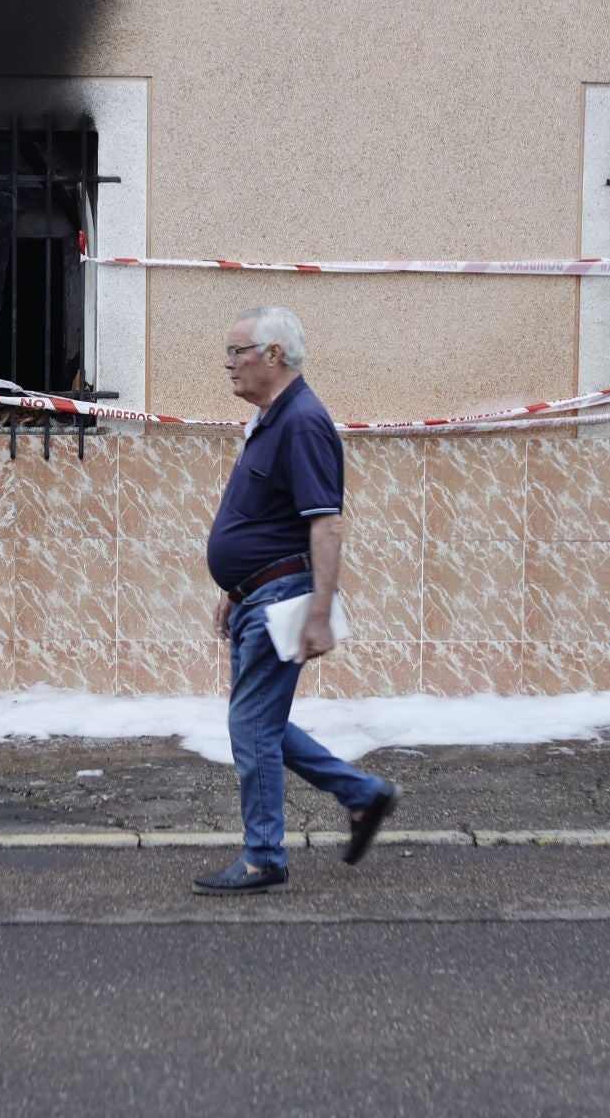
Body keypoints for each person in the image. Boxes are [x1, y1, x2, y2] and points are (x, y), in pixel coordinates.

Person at [192, 306, 398, 896]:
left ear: (273, 354)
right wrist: (233, 589)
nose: (229, 364)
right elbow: (263, 517)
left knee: (251, 725)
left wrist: (319, 613)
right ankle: (363, 795)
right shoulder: (270, 419)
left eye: (237, 351)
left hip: (280, 599)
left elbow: (325, 523)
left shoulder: (303, 422)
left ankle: (264, 858)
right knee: (260, 722)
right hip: (255, 598)